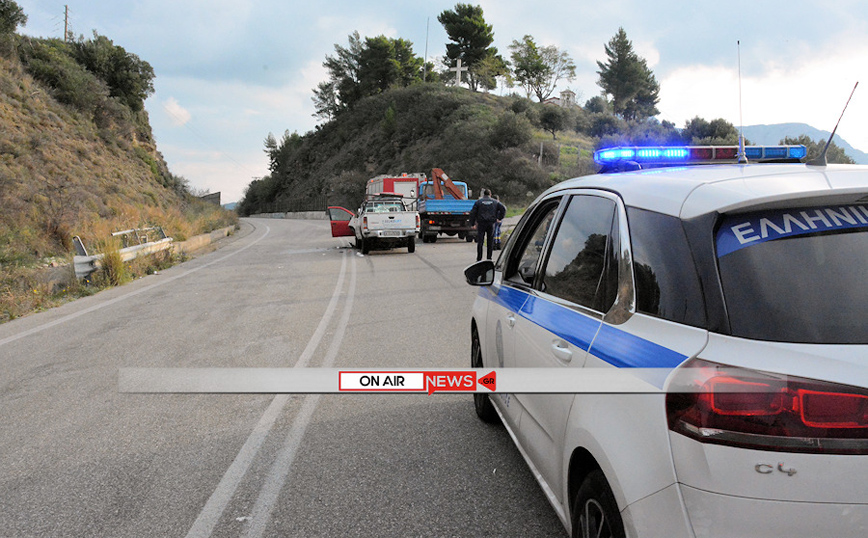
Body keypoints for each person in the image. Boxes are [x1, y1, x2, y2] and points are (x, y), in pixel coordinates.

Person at [469, 188, 506, 261]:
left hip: (481, 223)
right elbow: (503, 209)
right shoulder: (495, 202)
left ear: (483, 194)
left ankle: (479, 258)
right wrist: (499, 218)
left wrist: (472, 223)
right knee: (490, 241)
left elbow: (473, 213)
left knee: (480, 241)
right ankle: (489, 258)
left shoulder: (478, 202)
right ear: (490, 194)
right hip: (491, 223)